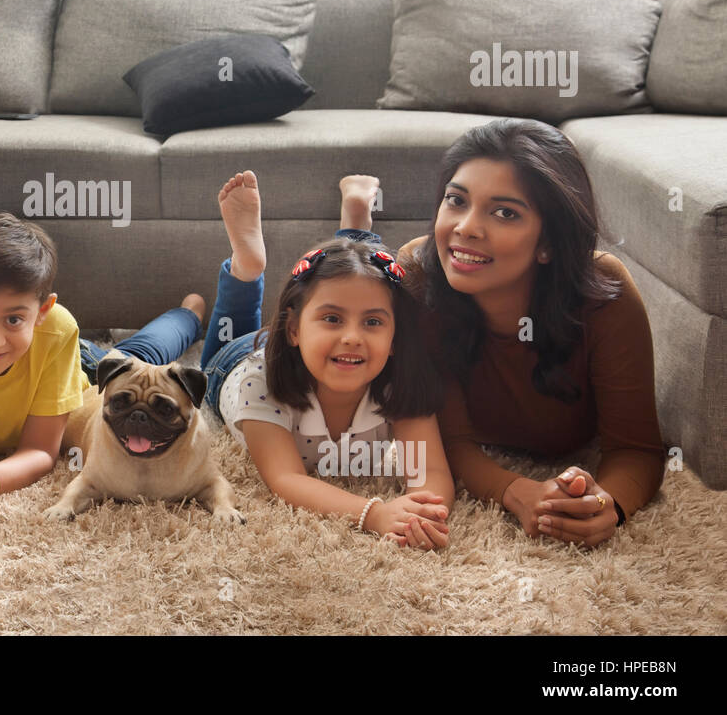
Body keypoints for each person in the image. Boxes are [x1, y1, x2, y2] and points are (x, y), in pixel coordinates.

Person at [381, 118, 665, 547]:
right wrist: (521, 493)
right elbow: (454, 442)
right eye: (456, 201)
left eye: (505, 212)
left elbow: (637, 450)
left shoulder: (605, 294)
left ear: (548, 241)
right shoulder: (420, 275)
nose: (466, 227)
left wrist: (605, 506)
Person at [199, 171, 454, 549]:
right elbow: (286, 479)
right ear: (293, 330)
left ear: (396, 338)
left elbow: (430, 469)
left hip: (314, 345)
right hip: (237, 363)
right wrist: (375, 513)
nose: (353, 335)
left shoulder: (402, 378)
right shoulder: (261, 383)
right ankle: (246, 270)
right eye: (334, 318)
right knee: (227, 332)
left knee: (362, 273)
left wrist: (424, 511)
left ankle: (355, 224)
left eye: (373, 322)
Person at [0, 212, 204, 517]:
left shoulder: (57, 331)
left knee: (142, 358)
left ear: (43, 310)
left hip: (82, 364)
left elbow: (42, 450)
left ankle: (188, 313)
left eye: (13, 319)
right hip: (28, 349)